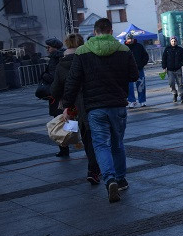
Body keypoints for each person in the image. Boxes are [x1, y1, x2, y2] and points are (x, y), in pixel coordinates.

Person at [62, 18, 139, 203]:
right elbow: (134, 75)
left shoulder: (82, 52)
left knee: (100, 144)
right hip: (117, 104)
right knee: (117, 144)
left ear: (95, 32)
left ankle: (110, 178)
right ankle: (121, 179)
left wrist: (67, 105)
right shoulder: (123, 49)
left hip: (94, 107)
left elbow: (73, 81)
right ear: (111, 31)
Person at [51, 33, 100, 185]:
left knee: (85, 135)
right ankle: (95, 168)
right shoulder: (88, 58)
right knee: (94, 136)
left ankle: (93, 168)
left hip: (72, 106)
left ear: (66, 45)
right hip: (91, 101)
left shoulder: (62, 64)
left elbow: (55, 89)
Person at [42, 37, 68, 156]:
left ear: (55, 48)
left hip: (57, 95)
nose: (47, 49)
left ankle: (64, 148)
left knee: (59, 121)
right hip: (65, 93)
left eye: (49, 47)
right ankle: (76, 142)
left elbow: (53, 78)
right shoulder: (64, 56)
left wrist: (43, 75)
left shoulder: (54, 59)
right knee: (70, 119)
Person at [124, 32, 149, 108]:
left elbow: (145, 56)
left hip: (139, 69)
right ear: (126, 39)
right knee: (129, 87)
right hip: (129, 71)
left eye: (131, 38)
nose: (130, 40)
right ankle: (131, 101)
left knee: (141, 85)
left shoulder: (139, 46)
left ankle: (142, 100)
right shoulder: (124, 48)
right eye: (128, 38)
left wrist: (141, 64)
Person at [162, 36, 183, 103]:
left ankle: (181, 95)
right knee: (171, 83)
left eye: (174, 41)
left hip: (178, 69)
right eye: (172, 41)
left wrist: (181, 63)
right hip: (170, 70)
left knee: (180, 83)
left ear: (177, 42)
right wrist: (164, 67)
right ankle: (174, 93)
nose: (173, 42)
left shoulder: (180, 49)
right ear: (170, 42)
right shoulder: (167, 49)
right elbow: (164, 58)